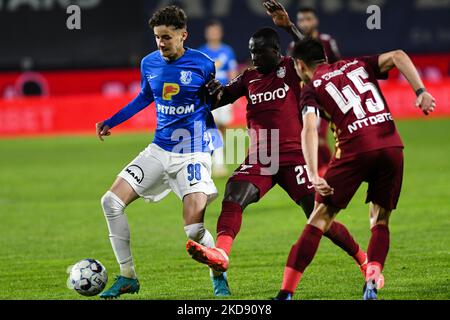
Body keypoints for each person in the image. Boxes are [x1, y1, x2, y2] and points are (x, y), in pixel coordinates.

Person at [185, 0, 372, 295]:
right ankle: (221, 254)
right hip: (262, 155)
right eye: (251, 52)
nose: (255, 57)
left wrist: (288, 26)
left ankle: (363, 260)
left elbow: (316, 56)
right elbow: (219, 99)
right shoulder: (248, 78)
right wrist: (207, 93)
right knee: (234, 194)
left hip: (295, 155)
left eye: (260, 51)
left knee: (319, 216)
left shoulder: (291, 69)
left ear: (277, 51)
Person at [275, 38, 435, 300]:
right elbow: (398, 54)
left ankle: (286, 293)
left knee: (319, 218)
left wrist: (314, 173)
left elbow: (309, 129)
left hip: (355, 149)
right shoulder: (358, 63)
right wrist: (421, 92)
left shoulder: (311, 87)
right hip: (392, 146)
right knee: (380, 220)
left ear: (300, 65)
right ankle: (373, 275)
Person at [95, 5, 230, 299]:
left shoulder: (204, 63)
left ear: (183, 35)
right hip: (159, 148)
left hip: (192, 151)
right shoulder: (149, 63)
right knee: (111, 202)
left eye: (166, 37)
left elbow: (212, 102)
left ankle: (218, 273)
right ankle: (128, 276)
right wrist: (112, 121)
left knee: (194, 231)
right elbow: (144, 96)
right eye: (157, 37)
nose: (160, 43)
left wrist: (217, 96)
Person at [288, 6, 342, 177]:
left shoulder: (326, 41)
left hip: (325, 95)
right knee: (309, 137)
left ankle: (326, 171)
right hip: (306, 97)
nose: (304, 23)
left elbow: (337, 65)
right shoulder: (293, 45)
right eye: (301, 20)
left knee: (318, 137)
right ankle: (321, 172)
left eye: (308, 19)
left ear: (315, 21)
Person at [198, 20, 239, 178]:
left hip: (225, 95)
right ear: (207, 33)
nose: (213, 34)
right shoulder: (202, 52)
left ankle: (217, 155)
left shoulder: (227, 51)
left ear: (219, 33)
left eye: (216, 31)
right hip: (209, 96)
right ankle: (218, 162)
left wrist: (234, 94)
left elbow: (232, 72)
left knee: (223, 128)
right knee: (211, 127)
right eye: (211, 31)